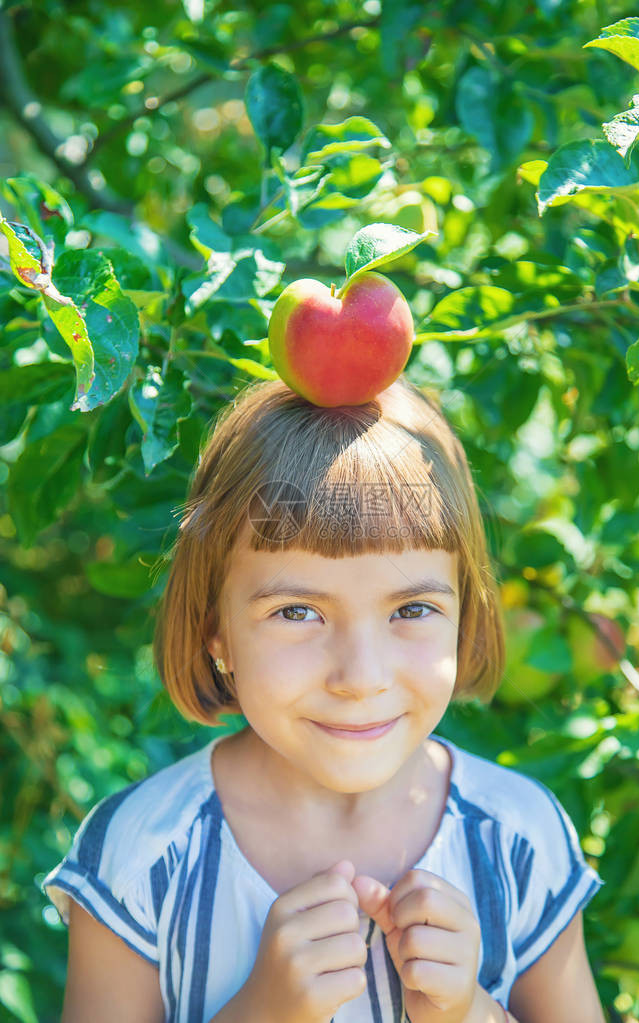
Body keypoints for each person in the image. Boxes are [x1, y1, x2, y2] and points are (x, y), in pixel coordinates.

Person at [42, 376, 606, 1023]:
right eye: (298, 610)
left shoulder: (518, 841)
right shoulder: (143, 855)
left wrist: (470, 1013)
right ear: (215, 629)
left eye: (413, 608)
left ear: (465, 611)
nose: (361, 676)